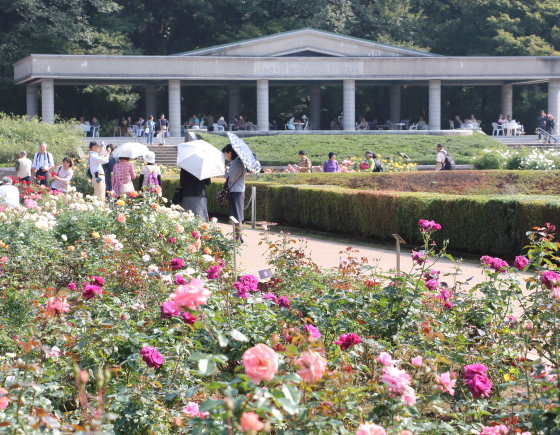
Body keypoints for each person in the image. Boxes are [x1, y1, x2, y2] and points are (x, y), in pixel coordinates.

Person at [222, 143, 246, 242]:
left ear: (230, 152)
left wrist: (224, 172)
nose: (225, 156)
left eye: (226, 154)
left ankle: (237, 237)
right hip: (240, 190)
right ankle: (239, 237)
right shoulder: (240, 162)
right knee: (238, 215)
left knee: (236, 216)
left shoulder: (234, 163)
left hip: (235, 191)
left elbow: (230, 179)